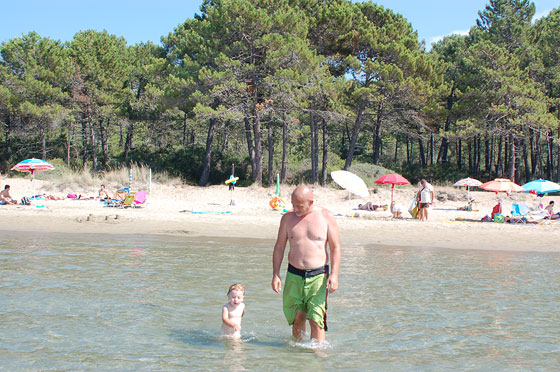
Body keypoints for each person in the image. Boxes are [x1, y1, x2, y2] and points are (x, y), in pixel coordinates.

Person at [272, 185, 341, 343]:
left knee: (316, 320)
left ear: (311, 202)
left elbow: (335, 247)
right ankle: (298, 356)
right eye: (293, 204)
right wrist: (276, 274)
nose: (295, 209)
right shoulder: (287, 218)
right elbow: (279, 247)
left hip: (318, 276)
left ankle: (318, 357)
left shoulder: (326, 217)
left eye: (299, 206)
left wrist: (334, 275)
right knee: (297, 318)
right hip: (294, 274)